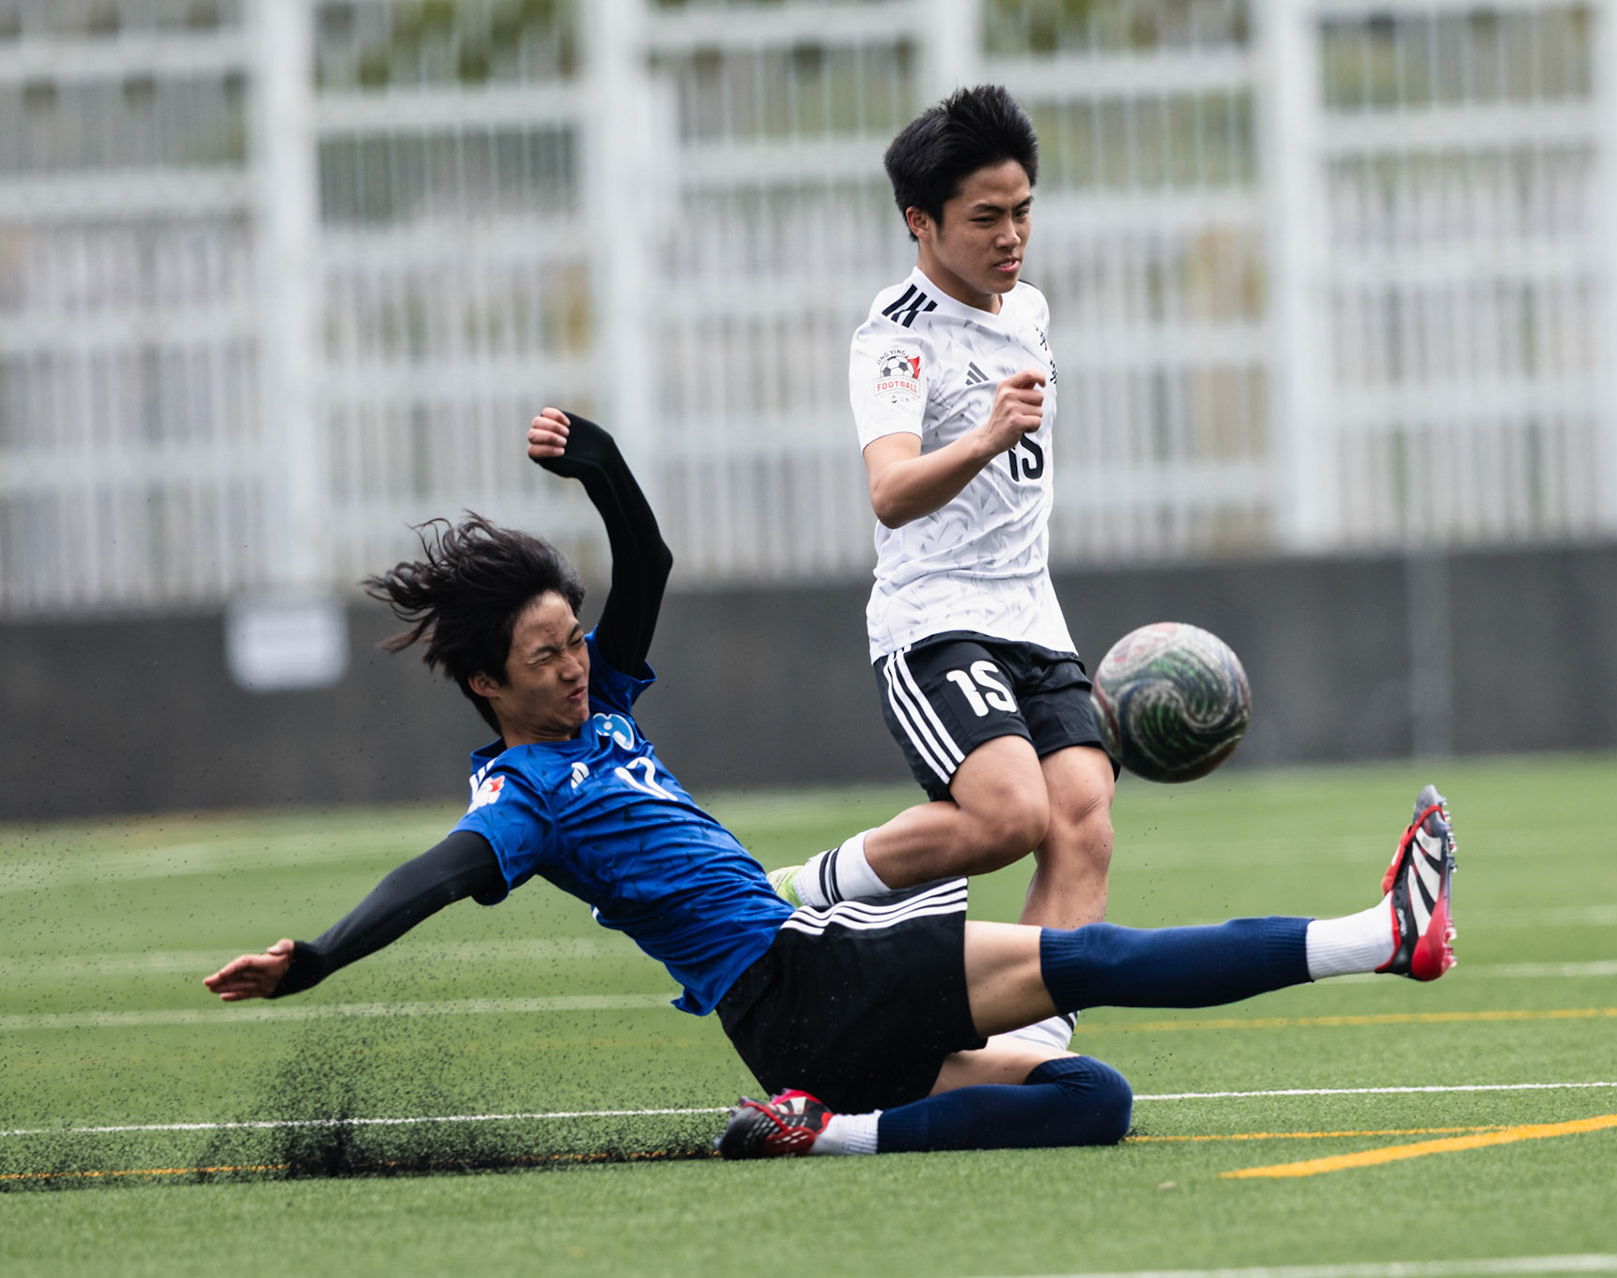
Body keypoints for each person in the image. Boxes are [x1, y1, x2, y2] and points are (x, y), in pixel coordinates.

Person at [204, 409, 1458, 1160]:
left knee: (1093, 1097)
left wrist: (596, 464)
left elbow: (646, 555)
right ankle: (1381, 937)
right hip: (803, 985)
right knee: (1089, 959)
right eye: (547, 657)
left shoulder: (605, 706)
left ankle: (827, 1131)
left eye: (576, 640)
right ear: (487, 686)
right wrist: (316, 955)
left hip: (807, 1019)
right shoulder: (524, 796)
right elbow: (437, 876)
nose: (579, 665)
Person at [769, 88, 1116, 1061]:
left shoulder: (1030, 309)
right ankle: (807, 891)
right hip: (935, 621)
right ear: (920, 222)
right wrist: (988, 434)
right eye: (987, 218)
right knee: (1010, 815)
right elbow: (890, 491)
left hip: (1032, 615)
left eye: (1024, 211)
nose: (1013, 237)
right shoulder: (894, 336)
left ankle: (1037, 1047)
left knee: (1083, 821)